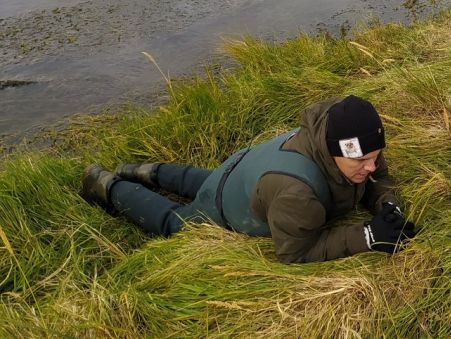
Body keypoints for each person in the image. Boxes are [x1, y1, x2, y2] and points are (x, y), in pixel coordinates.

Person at [79, 95, 416, 263]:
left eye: (374, 157)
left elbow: (378, 178)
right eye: (361, 161)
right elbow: (295, 252)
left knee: (205, 181)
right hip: (232, 201)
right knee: (175, 223)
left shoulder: (354, 145)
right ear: (332, 152)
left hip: (244, 169)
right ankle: (107, 183)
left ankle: (140, 169)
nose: (371, 167)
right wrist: (369, 236)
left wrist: (389, 208)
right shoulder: (296, 195)